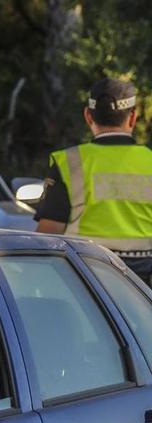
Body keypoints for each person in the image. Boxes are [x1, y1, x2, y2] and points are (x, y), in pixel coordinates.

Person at [35, 77, 152, 282]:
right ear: (133, 117)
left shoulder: (69, 162)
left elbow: (47, 234)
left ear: (88, 116)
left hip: (83, 283)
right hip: (143, 288)